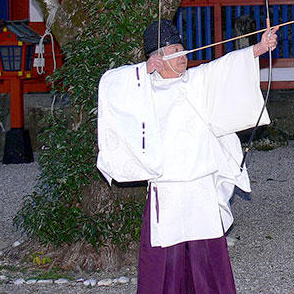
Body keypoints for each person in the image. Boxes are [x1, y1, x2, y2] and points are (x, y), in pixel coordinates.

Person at [96, 19, 278, 293]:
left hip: (200, 185)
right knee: (164, 261)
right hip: (167, 189)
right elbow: (111, 86)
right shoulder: (143, 89)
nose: (184, 57)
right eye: (176, 51)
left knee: (208, 259)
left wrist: (260, 47)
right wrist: (143, 70)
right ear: (157, 58)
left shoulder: (196, 81)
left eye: (183, 50)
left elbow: (225, 67)